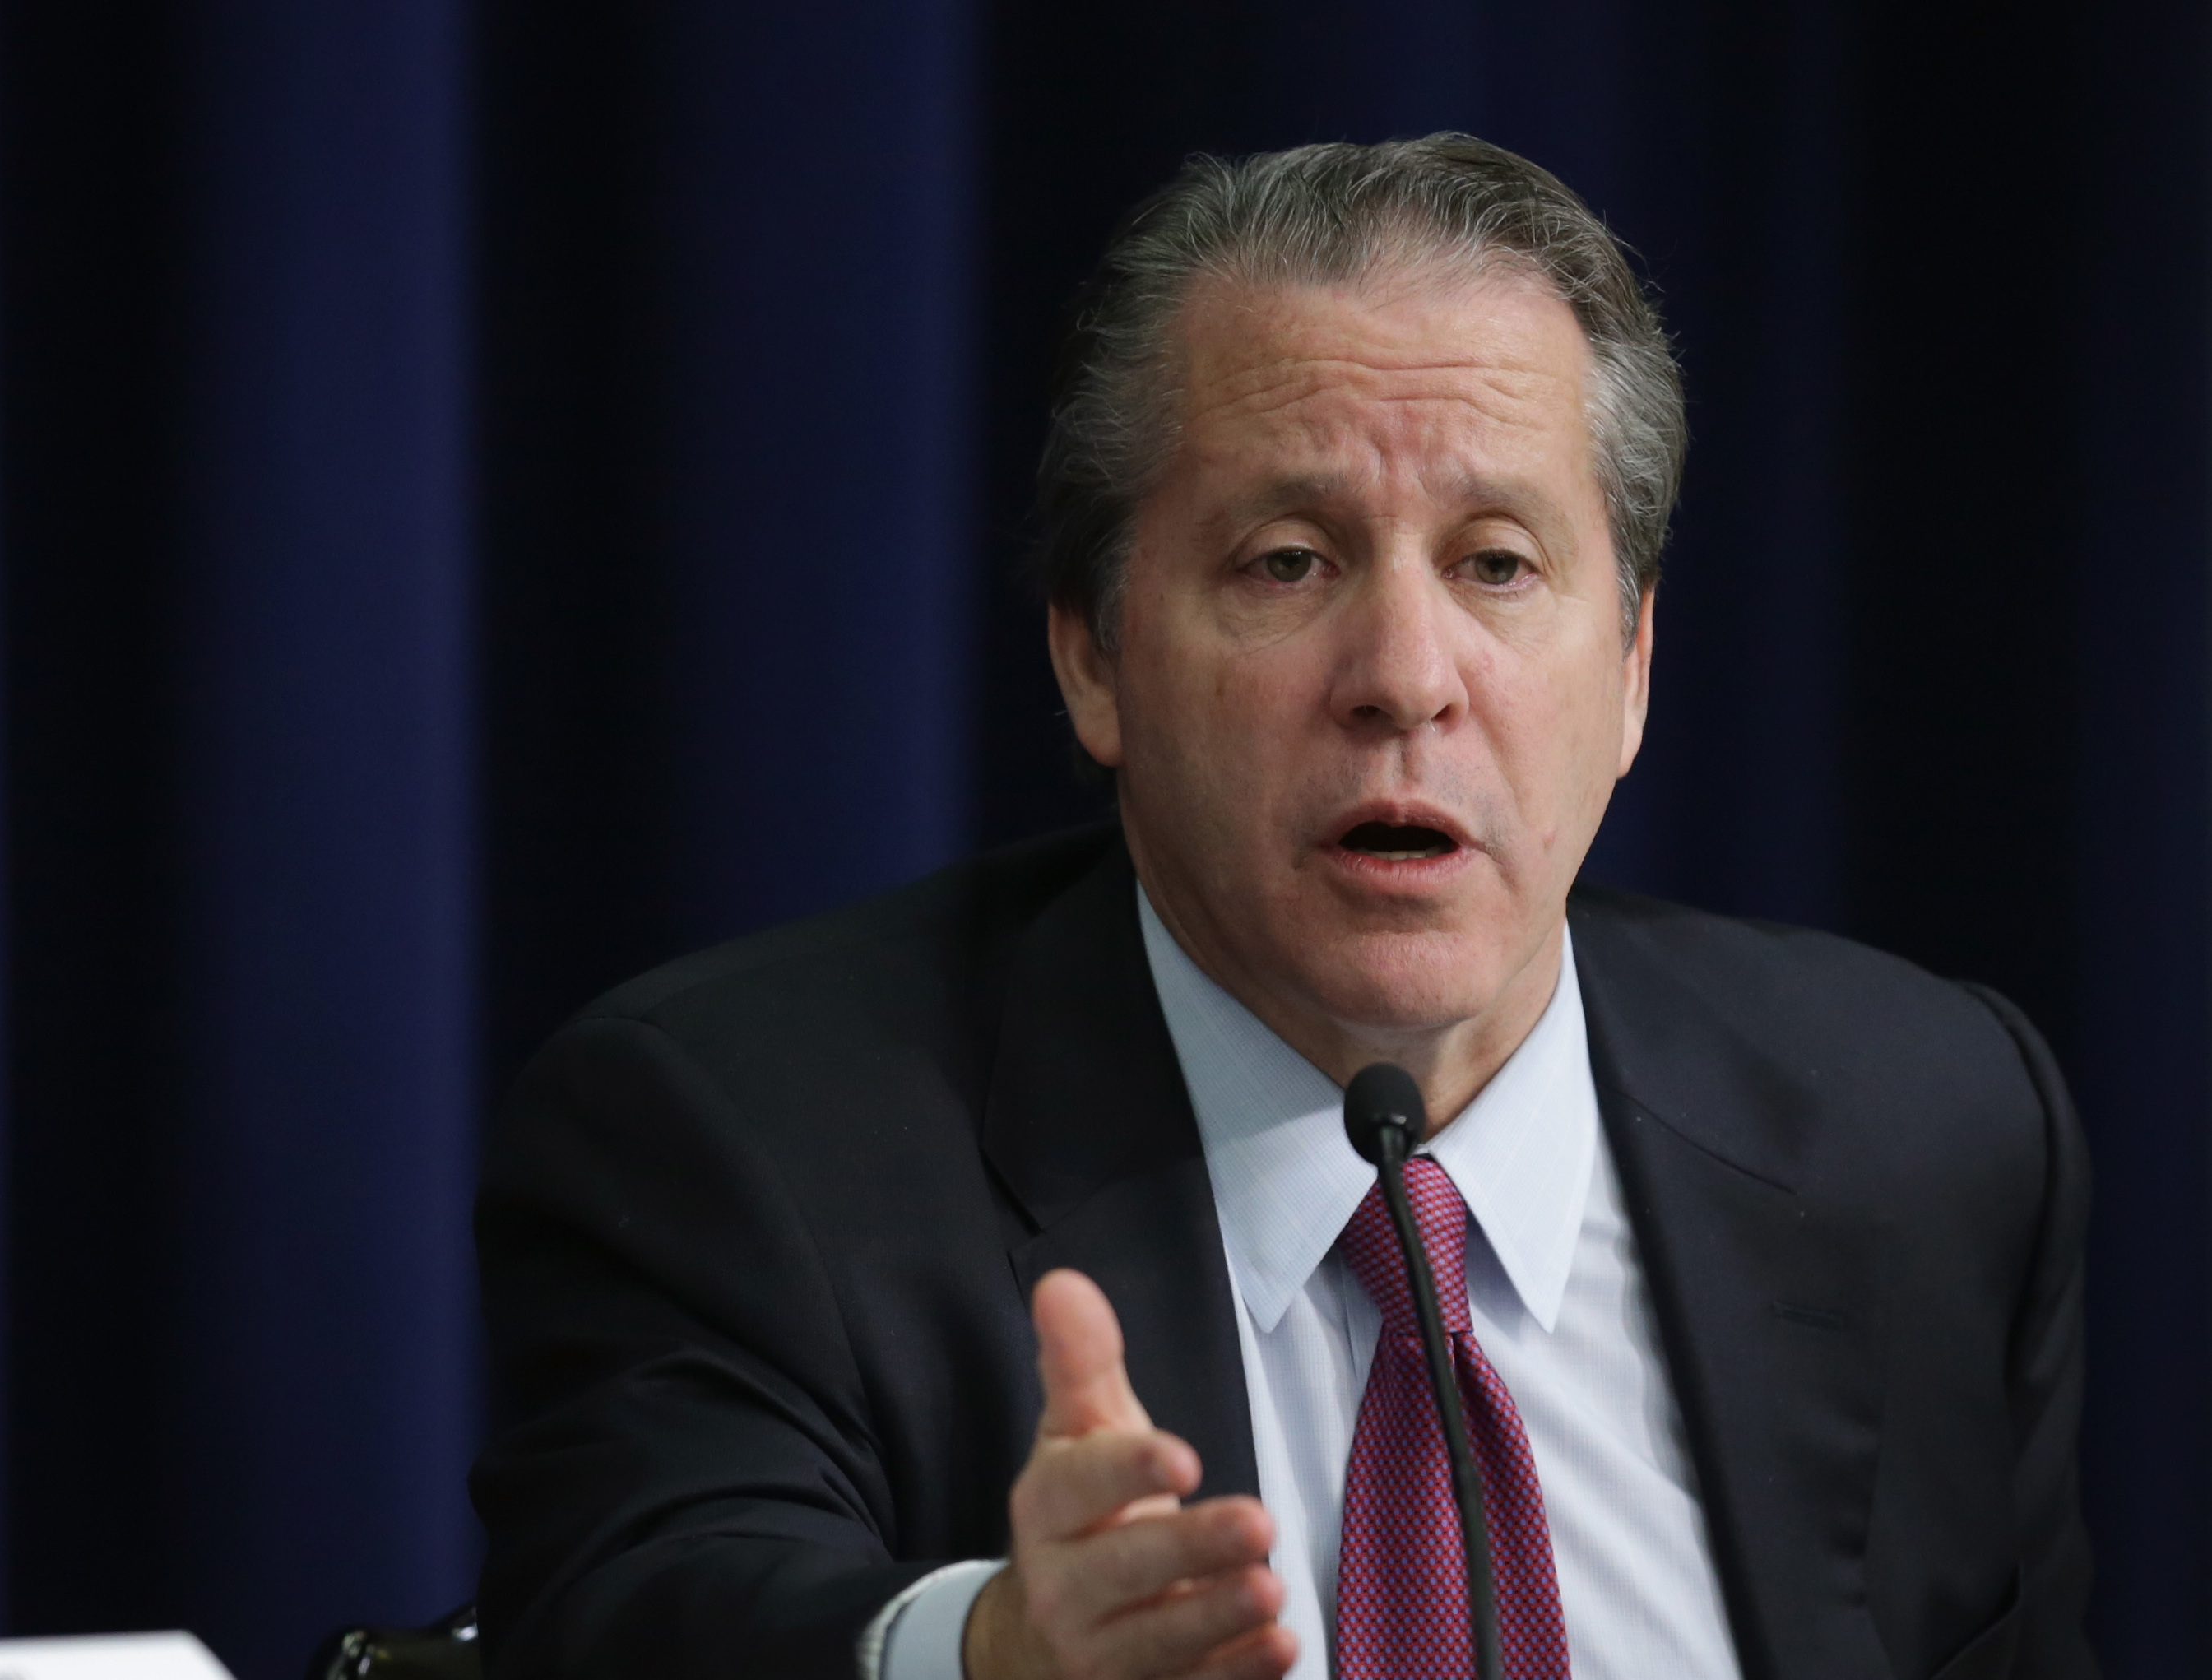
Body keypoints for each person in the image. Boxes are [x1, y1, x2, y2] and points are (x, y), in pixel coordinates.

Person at [471, 135, 2093, 1680]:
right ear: (1093, 654)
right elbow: (638, 1607)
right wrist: (984, 1652)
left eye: (1500, 563)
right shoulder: (750, 1141)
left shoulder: (1922, 1135)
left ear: (1635, 664)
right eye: (1288, 561)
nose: (1405, 680)